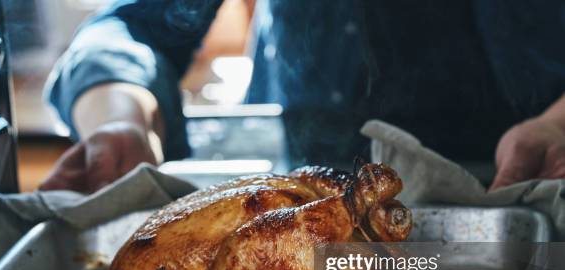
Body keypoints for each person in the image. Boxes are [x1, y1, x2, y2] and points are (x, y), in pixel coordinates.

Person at [41, 0, 565, 193]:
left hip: (527, 202)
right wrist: (122, 120)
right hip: (297, 221)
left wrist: (558, 126)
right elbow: (132, 28)